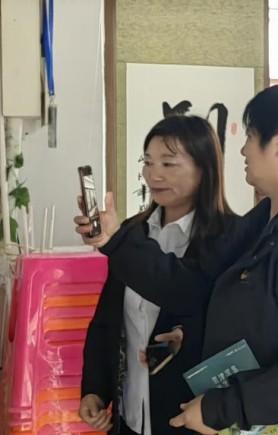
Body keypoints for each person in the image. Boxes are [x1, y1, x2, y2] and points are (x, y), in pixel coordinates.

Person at [76, 81, 278, 434]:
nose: (242, 149)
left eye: (251, 136)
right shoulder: (268, 217)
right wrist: (115, 242)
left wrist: (223, 408)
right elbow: (194, 284)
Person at [79, 115, 238, 435]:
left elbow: (196, 298)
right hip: (130, 415)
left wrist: (186, 337)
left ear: (204, 168)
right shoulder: (133, 231)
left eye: (169, 163)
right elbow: (107, 321)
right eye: (148, 162)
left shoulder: (228, 237)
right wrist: (95, 390)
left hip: (190, 418)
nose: (154, 174)